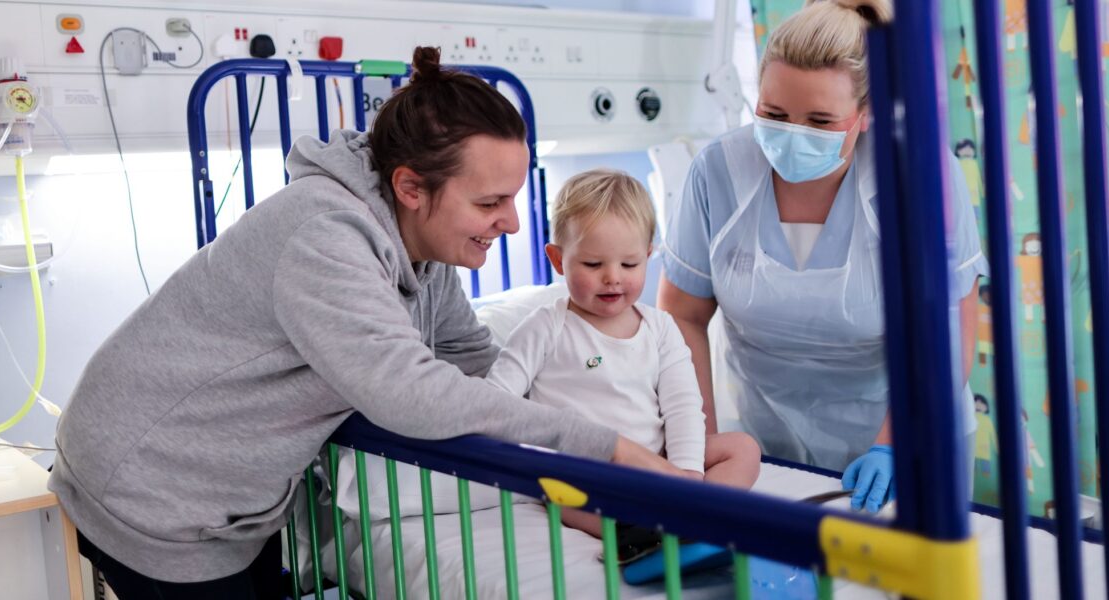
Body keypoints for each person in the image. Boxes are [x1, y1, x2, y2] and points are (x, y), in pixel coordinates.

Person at [48, 47, 679, 599]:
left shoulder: (422, 254)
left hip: (241, 504)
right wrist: (600, 447)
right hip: (154, 489)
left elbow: (469, 359)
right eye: (490, 203)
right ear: (409, 187)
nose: (512, 223)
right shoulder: (325, 237)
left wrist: (594, 403)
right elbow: (411, 393)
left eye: (512, 198)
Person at [658, 0, 988, 514]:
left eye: (818, 120)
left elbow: (948, 329)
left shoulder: (917, 174)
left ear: (867, 113)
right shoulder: (718, 173)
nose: (792, 133)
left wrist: (894, 443)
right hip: (764, 434)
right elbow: (683, 316)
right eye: (773, 114)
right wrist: (695, 446)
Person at [485, 169, 762, 537]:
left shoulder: (660, 328)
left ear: (648, 256)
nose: (613, 277)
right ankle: (639, 535)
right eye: (593, 264)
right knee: (557, 491)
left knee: (742, 448)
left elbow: (682, 407)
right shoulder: (546, 328)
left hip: (659, 462)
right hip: (589, 469)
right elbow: (493, 401)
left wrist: (686, 476)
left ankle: (694, 516)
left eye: (629, 264)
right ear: (557, 260)